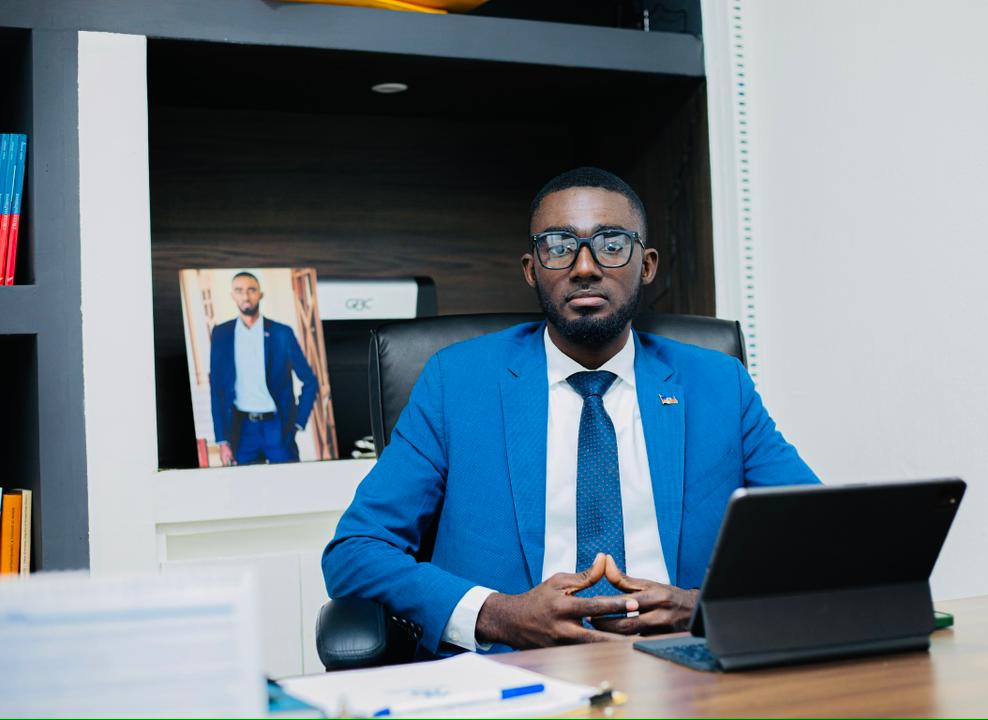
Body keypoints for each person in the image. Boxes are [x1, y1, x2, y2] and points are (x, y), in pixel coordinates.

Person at [323, 167, 819, 655]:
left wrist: (701, 607)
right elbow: (355, 552)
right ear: (531, 268)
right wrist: (499, 614)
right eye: (559, 245)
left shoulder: (717, 384)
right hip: (515, 674)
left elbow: (816, 536)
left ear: (646, 265)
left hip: (682, 668)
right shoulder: (455, 382)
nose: (585, 266)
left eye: (611, 243)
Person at [209, 271, 318, 466]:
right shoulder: (221, 334)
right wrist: (222, 440)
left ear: (260, 294)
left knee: (289, 485)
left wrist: (298, 422)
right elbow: (216, 388)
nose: (245, 296)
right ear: (232, 295)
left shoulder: (281, 333)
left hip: (277, 427)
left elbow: (309, 381)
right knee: (248, 490)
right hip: (242, 430)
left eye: (251, 290)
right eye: (239, 290)